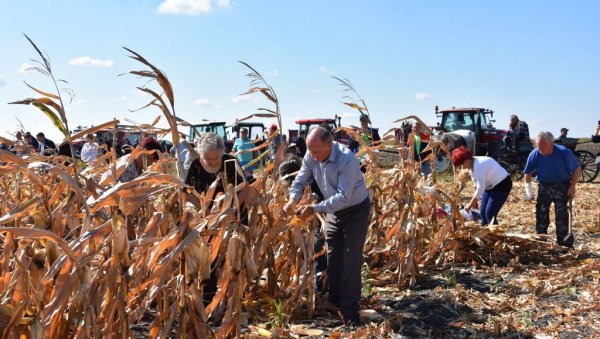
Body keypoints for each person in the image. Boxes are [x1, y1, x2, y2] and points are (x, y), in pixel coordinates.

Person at [283, 126, 370, 326]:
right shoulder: (311, 155)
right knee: (332, 256)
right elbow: (300, 180)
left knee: (351, 259)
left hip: (355, 210)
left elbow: (344, 197)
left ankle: (350, 314)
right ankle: (334, 302)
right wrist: (292, 200)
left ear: (330, 145)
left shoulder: (346, 159)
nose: (312, 156)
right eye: (309, 151)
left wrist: (314, 209)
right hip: (333, 210)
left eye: (316, 151)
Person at [523, 131, 581, 248]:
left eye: (543, 147)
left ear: (552, 143)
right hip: (544, 186)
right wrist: (528, 190)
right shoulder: (535, 153)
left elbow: (576, 169)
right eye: (538, 146)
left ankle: (564, 244)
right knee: (541, 214)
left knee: (562, 215)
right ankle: (541, 241)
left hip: (562, 185)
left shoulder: (564, 153)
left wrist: (572, 186)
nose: (540, 149)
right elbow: (527, 172)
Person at [451, 146, 512, 225]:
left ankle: (495, 235)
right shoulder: (471, 165)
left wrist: (469, 205)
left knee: (490, 214)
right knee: (483, 212)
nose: (460, 167)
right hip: (489, 185)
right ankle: (485, 233)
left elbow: (480, 187)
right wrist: (475, 200)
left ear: (465, 161)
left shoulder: (479, 166)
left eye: (460, 164)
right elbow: (476, 182)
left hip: (502, 184)